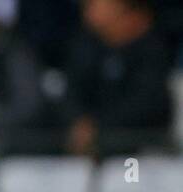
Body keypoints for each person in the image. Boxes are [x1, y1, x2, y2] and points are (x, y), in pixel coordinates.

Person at [65, 0, 173, 157]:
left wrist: (99, 126)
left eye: (97, 4)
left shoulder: (152, 48)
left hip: (143, 149)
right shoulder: (86, 46)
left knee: (132, 178)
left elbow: (150, 102)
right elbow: (70, 93)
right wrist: (80, 122)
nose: (88, 10)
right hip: (90, 147)